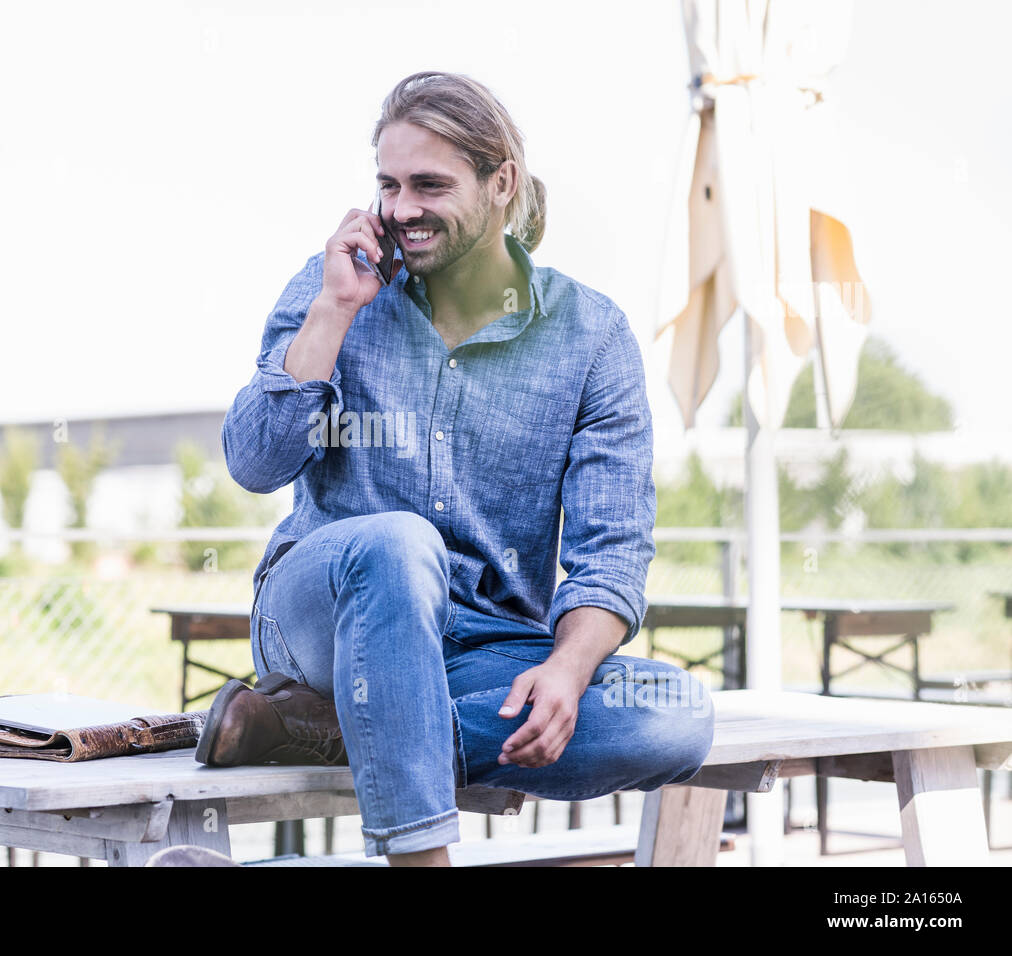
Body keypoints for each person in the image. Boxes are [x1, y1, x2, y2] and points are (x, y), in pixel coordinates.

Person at [197, 71, 714, 867]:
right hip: (318, 617)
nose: (401, 210)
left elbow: (612, 554)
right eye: (389, 185)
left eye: (429, 185)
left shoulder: (593, 338)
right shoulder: (332, 284)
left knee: (677, 709)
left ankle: (342, 728)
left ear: (501, 183)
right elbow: (255, 463)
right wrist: (335, 313)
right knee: (400, 542)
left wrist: (570, 669)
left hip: (487, 648)